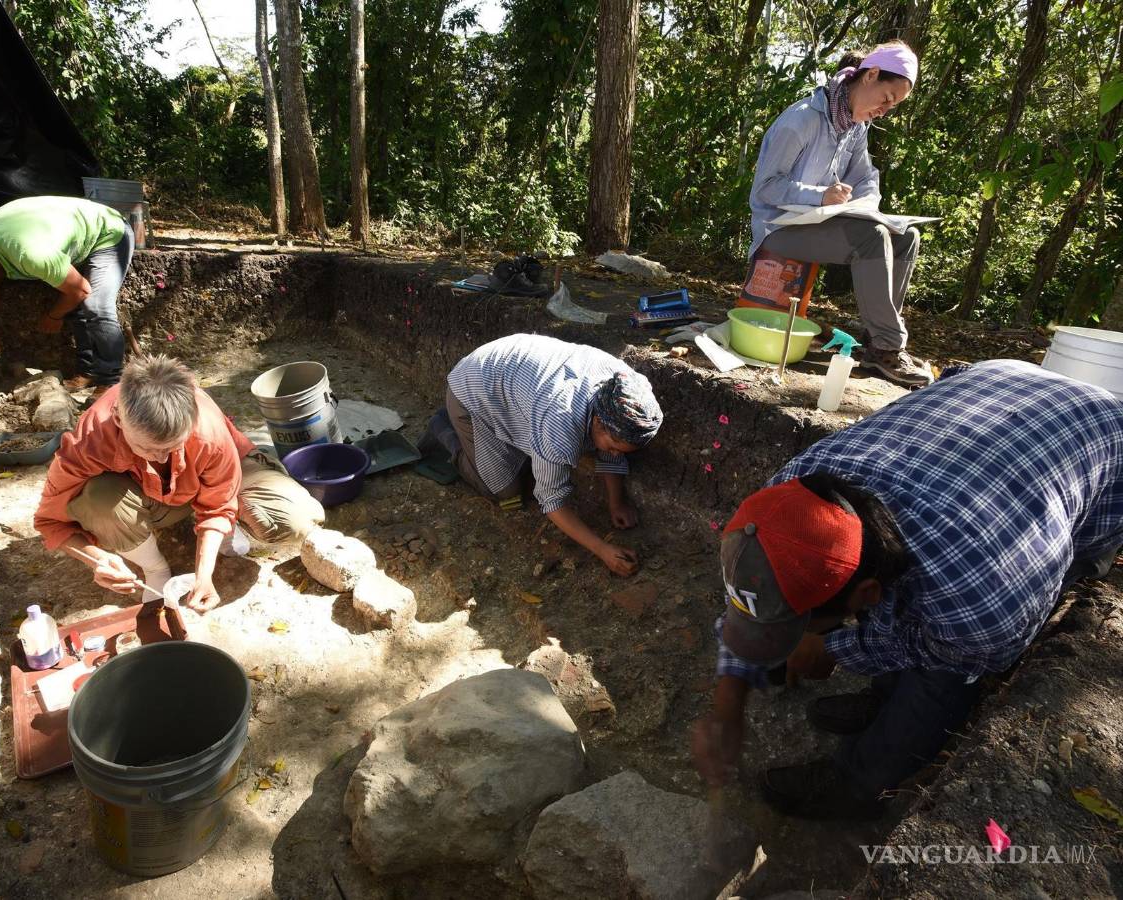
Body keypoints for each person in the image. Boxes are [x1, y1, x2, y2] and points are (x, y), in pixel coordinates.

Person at [692, 360, 1123, 820]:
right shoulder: (789, 497)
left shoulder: (985, 594)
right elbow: (754, 587)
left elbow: (955, 651)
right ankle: (880, 699)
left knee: (946, 674)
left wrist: (835, 650)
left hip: (1104, 446)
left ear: (867, 596)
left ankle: (857, 786)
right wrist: (727, 706)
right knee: (907, 615)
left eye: (798, 625)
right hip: (995, 391)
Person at [34, 354, 326, 612]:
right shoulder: (91, 438)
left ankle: (229, 528)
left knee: (296, 519)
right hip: (149, 496)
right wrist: (95, 559)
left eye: (175, 446)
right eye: (149, 449)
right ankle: (155, 568)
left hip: (215, 482)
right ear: (119, 420)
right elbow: (50, 522)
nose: (163, 456)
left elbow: (218, 505)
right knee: (99, 501)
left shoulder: (208, 430)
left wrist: (203, 575)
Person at [749, 40, 931, 387]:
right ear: (871, 75)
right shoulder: (801, 120)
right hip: (778, 226)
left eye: (894, 107)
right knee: (870, 238)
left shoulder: (855, 128)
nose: (885, 110)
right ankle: (889, 347)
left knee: (906, 235)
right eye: (887, 99)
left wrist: (866, 205)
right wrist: (821, 197)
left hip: (818, 224)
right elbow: (765, 189)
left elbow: (864, 178)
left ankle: (877, 341)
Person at [420, 333, 663, 577]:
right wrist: (602, 549)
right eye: (613, 447)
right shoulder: (561, 423)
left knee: (538, 459)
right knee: (506, 491)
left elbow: (614, 446)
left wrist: (616, 502)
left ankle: (484, 433)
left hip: (511, 380)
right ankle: (444, 426)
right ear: (598, 422)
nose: (613, 453)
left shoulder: (629, 390)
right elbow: (551, 501)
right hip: (472, 389)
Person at [0, 196, 133, 394]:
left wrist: (54, 316)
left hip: (107, 232)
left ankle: (111, 383)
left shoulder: (30, 254)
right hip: (70, 233)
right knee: (76, 305)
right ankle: (89, 371)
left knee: (96, 305)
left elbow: (80, 289)